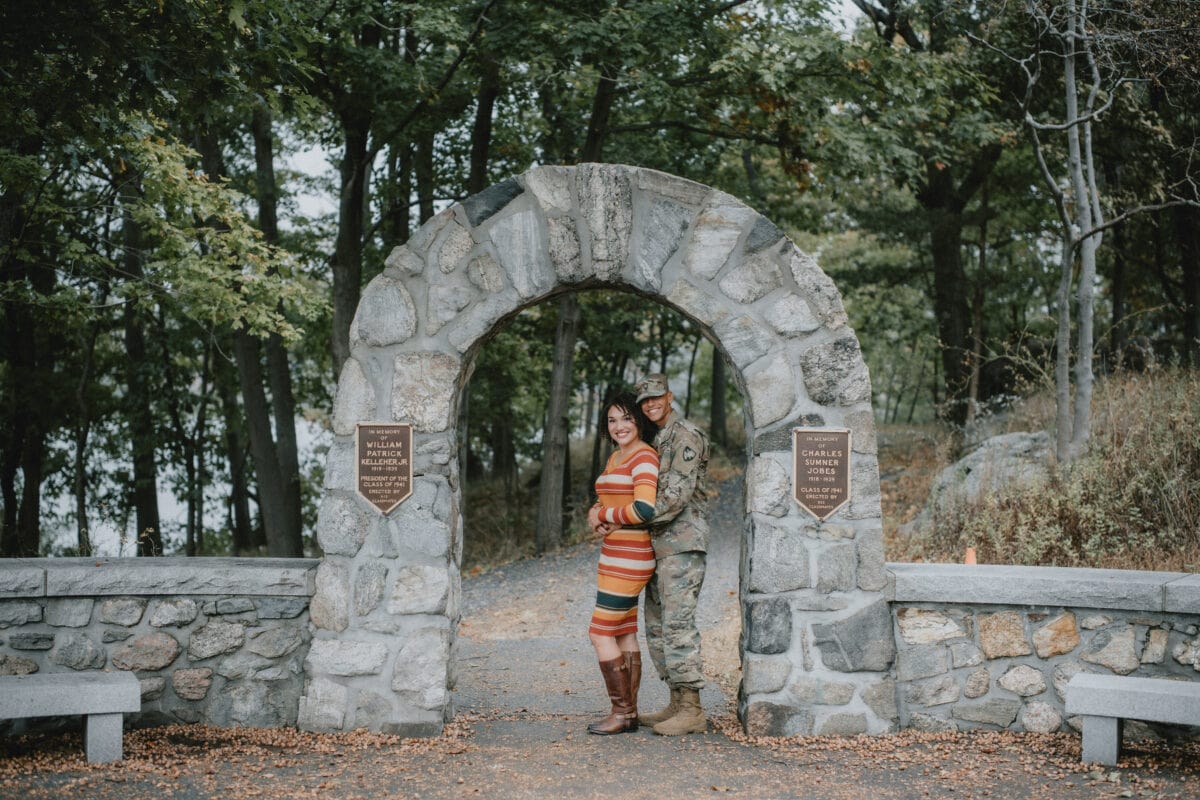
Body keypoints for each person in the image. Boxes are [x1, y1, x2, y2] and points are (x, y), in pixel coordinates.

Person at [589, 372, 711, 736]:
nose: (651, 404)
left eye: (657, 397)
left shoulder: (685, 436)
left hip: (681, 542)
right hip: (656, 544)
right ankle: (677, 701)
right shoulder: (658, 439)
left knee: (677, 625)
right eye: (645, 401)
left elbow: (672, 499)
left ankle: (692, 708)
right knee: (657, 627)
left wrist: (615, 518)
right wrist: (610, 515)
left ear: (670, 397)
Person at [585, 391, 660, 735]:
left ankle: (621, 712)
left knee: (599, 633)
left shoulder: (643, 457)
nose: (619, 426)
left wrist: (604, 514)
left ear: (639, 420)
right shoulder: (617, 457)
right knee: (624, 631)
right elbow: (609, 500)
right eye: (612, 420)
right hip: (614, 555)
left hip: (631, 558)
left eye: (626, 418)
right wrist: (595, 513)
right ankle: (629, 714)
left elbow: (645, 509)